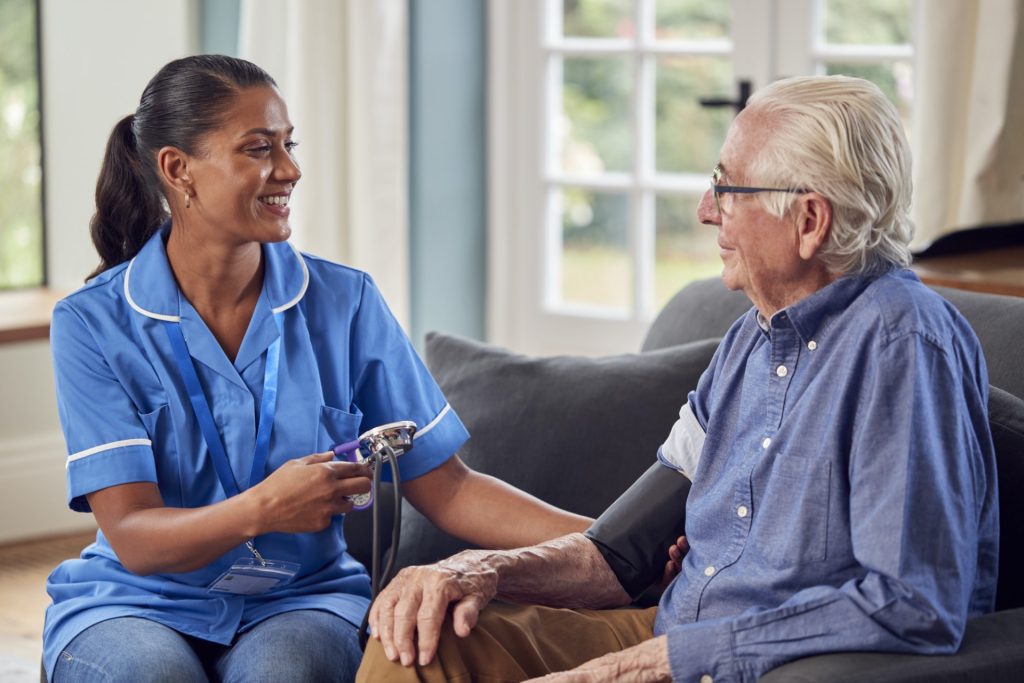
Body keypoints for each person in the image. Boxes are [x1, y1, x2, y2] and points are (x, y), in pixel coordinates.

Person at [357, 75, 1000, 682]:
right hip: (666, 631)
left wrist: (654, 662)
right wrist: (480, 570)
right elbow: (619, 554)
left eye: (727, 187)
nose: (704, 210)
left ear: (809, 221)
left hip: (766, 665)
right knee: (418, 640)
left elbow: (913, 603)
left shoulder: (903, 345)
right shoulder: (749, 339)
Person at [43, 54, 595, 683]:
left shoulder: (346, 302)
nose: (290, 169)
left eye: (287, 144)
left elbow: (451, 489)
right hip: (136, 603)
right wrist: (263, 509)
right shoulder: (92, 323)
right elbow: (135, 537)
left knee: (285, 673)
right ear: (178, 169)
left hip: (301, 598)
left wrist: (614, 543)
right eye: (257, 148)